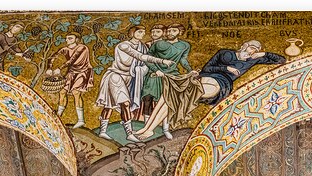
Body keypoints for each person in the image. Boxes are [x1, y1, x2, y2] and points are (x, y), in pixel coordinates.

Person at [135, 40, 285, 140]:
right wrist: (226, 67)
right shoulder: (224, 53)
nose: (252, 51)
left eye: (256, 50)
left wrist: (263, 54)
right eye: (252, 47)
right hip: (204, 77)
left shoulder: (253, 60)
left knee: (178, 94)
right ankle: (148, 129)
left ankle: (150, 129)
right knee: (169, 94)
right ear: (244, 45)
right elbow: (207, 68)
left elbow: (281, 60)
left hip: (220, 84)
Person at [95, 26, 174, 142]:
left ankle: (103, 131)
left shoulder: (142, 46)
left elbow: (146, 60)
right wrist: (162, 61)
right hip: (116, 76)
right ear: (132, 33)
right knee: (123, 104)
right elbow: (141, 57)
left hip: (130, 78)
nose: (142, 34)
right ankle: (128, 133)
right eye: (139, 32)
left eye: (143, 32)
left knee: (110, 104)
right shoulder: (124, 45)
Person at [139, 23, 195, 138]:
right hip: (155, 73)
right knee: (147, 99)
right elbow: (147, 59)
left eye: (173, 31)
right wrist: (155, 69)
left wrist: (190, 70)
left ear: (180, 32)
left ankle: (165, 129)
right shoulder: (159, 43)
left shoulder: (185, 45)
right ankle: (146, 127)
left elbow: (183, 60)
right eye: (168, 31)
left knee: (169, 102)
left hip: (171, 76)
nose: (170, 33)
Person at [48, 33, 94, 128]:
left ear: (76, 39)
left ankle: (81, 120)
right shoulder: (65, 49)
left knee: (76, 92)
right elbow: (53, 56)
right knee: (62, 91)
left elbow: (72, 60)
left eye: (70, 38)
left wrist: (60, 68)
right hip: (71, 72)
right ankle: (59, 115)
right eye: (66, 38)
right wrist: (49, 67)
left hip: (82, 72)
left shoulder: (82, 48)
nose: (67, 40)